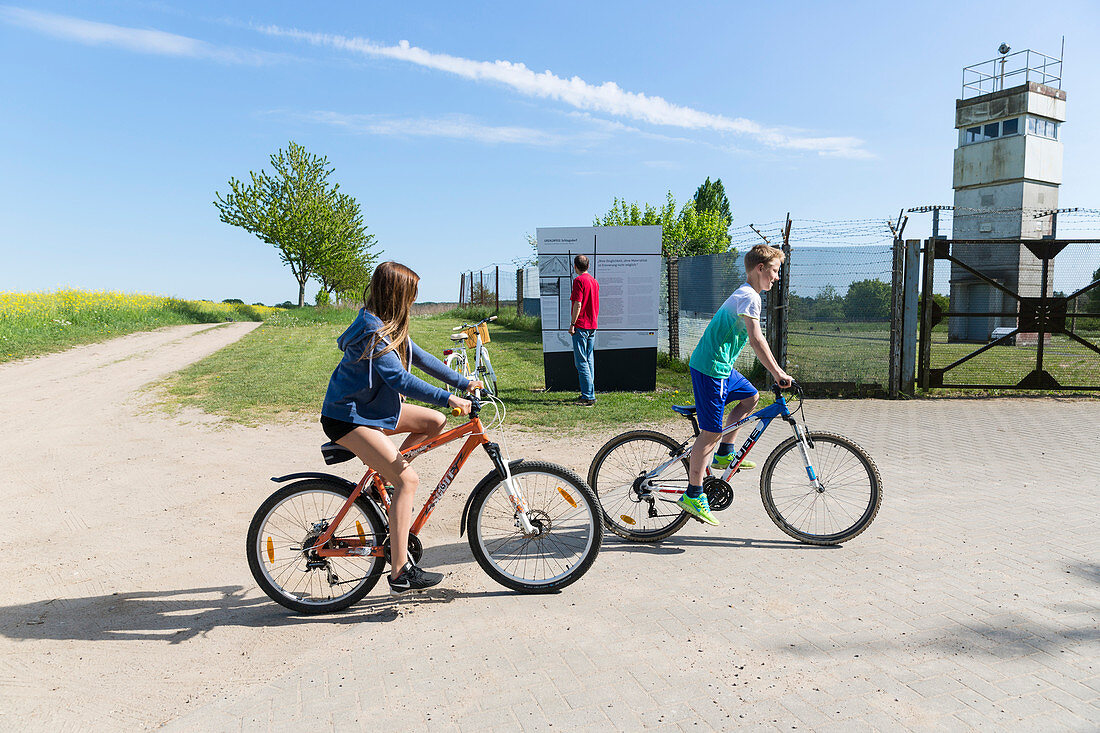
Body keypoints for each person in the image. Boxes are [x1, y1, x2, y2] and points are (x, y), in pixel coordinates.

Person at [320, 262, 482, 594]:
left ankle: (386, 477)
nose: (413, 301)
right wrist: (449, 398)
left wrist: (464, 382)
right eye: (410, 295)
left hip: (370, 410)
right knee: (409, 479)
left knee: (434, 422)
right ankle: (399, 574)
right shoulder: (372, 331)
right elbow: (399, 378)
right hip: (347, 417)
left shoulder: (388, 325)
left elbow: (422, 360)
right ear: (397, 294)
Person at [678, 244, 793, 527]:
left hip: (721, 368)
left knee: (751, 397)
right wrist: (777, 371)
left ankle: (724, 455)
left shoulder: (748, 294)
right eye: (775, 271)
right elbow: (757, 340)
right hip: (711, 369)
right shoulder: (749, 297)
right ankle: (693, 493)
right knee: (711, 431)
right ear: (760, 268)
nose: (776, 278)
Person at [568, 254, 600, 406]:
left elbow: (578, 304)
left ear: (575, 266)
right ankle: (589, 392)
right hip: (592, 325)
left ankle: (588, 396)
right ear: (588, 266)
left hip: (581, 325)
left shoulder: (579, 281)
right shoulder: (594, 281)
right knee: (589, 360)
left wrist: (572, 323)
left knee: (581, 362)